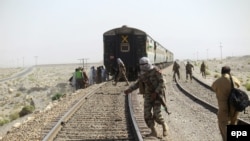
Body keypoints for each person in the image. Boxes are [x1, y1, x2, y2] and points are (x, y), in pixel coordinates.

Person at [124, 57, 169, 137]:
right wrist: (130, 89)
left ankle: (164, 125)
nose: (142, 66)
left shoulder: (156, 71)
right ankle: (153, 131)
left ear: (148, 64)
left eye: (144, 64)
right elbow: (138, 83)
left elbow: (162, 83)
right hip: (148, 95)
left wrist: (156, 92)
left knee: (157, 114)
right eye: (141, 65)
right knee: (147, 115)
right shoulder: (142, 74)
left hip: (157, 95)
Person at [211, 66, 241, 141]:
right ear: (229, 72)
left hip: (223, 107)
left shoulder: (218, 81)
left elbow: (213, 87)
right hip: (234, 106)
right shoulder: (233, 78)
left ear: (221, 72)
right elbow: (239, 85)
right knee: (233, 123)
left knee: (222, 123)